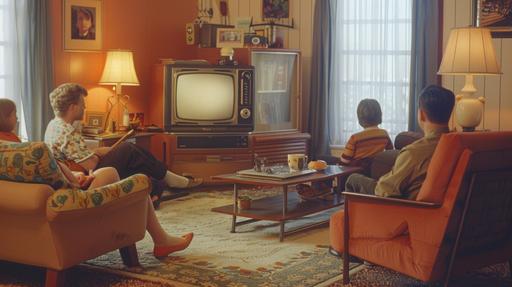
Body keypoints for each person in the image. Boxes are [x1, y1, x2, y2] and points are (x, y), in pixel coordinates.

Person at [0, 98, 194, 257]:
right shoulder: (25, 148)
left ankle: (162, 227)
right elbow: (58, 166)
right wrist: (76, 180)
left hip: (53, 197)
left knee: (128, 168)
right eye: (15, 115)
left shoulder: (8, 148)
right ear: (6, 117)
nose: (17, 119)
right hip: (71, 201)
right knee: (135, 177)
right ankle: (162, 237)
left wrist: (75, 173)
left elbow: (48, 170)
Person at [44, 83, 202, 203]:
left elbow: (80, 157)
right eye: (82, 103)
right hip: (89, 177)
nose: (85, 106)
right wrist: (100, 153)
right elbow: (91, 165)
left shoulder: (53, 125)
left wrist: (101, 153)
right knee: (128, 149)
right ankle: (171, 179)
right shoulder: (67, 132)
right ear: (73, 107)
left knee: (151, 179)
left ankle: (160, 186)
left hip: (81, 173)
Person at [344, 85, 455, 199]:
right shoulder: (457, 145)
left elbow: (385, 190)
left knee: (353, 179)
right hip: (443, 209)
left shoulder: (413, 152)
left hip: (406, 210)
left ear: (421, 114)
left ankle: (351, 216)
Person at [339, 99, 393, 168]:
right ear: (379, 115)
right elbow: (390, 153)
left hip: (354, 172)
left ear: (360, 118)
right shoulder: (384, 134)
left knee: (326, 160)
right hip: (373, 171)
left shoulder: (355, 138)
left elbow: (344, 161)